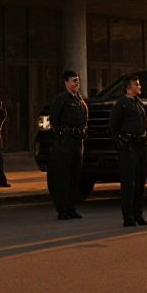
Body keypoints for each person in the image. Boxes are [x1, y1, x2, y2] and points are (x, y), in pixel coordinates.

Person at [108, 76, 147, 227]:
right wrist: (120, 142)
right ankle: (128, 217)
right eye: (136, 85)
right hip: (129, 147)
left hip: (141, 146)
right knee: (128, 183)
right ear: (128, 87)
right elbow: (113, 125)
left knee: (140, 182)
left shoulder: (140, 104)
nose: (139, 87)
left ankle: (138, 214)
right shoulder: (122, 104)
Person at [48, 71, 88, 221]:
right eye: (74, 81)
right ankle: (62, 209)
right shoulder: (61, 99)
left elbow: (84, 118)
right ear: (66, 83)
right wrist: (63, 134)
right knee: (63, 177)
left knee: (74, 177)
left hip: (78, 143)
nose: (77, 83)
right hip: (65, 143)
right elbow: (54, 121)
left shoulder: (78, 99)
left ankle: (72, 208)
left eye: (78, 81)